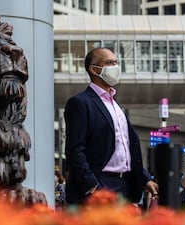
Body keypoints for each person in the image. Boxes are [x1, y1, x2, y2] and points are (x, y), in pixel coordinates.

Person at [63, 47, 159, 204]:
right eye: (109, 63)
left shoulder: (115, 104)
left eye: (116, 62)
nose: (116, 67)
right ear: (94, 69)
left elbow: (125, 148)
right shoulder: (80, 103)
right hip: (101, 184)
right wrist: (92, 186)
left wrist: (144, 179)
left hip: (125, 185)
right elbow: (75, 150)